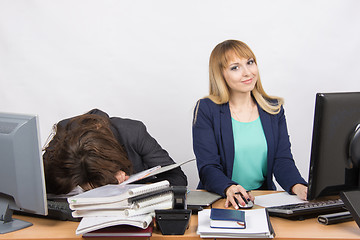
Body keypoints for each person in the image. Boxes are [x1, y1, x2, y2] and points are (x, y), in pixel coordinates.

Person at [192, 40, 307, 209]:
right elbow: (208, 166)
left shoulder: (273, 109)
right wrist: (229, 188)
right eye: (235, 67)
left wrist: (298, 186)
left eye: (250, 63)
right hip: (221, 198)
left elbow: (281, 160)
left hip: (261, 199)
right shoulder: (207, 109)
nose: (247, 73)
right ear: (220, 74)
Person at [43, 108, 187, 195]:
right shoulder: (64, 135)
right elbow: (41, 183)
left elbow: (178, 179)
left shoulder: (132, 132)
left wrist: (136, 190)